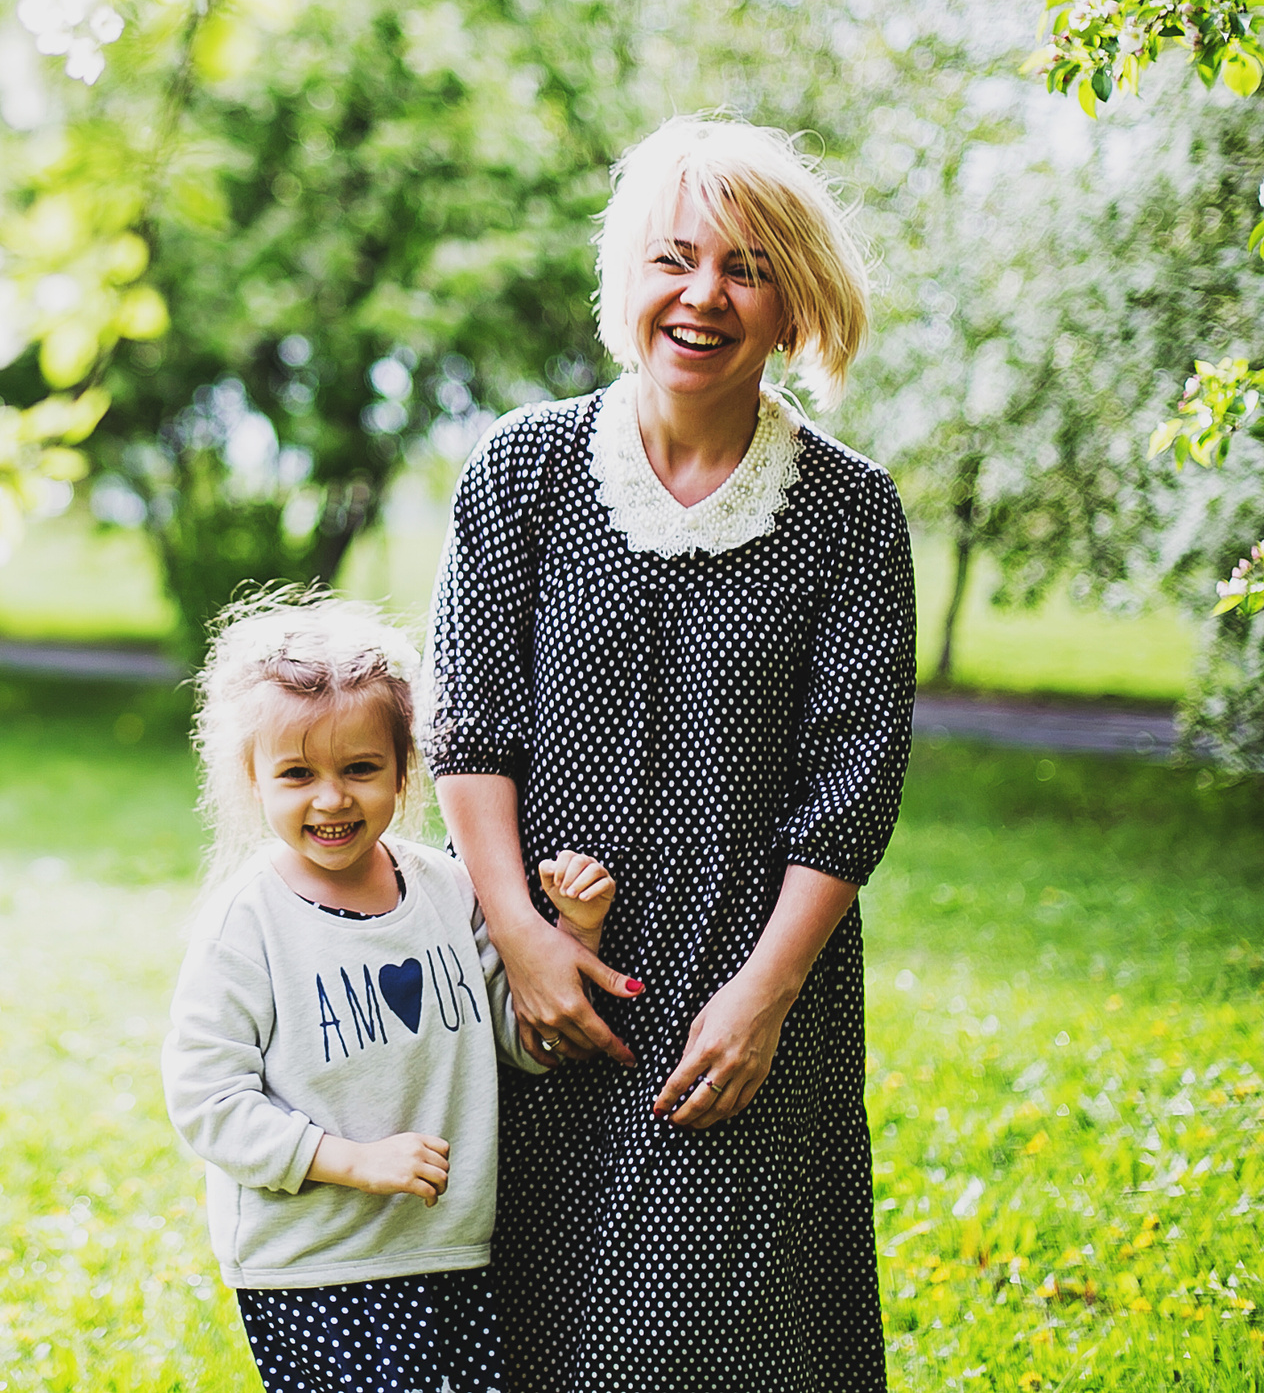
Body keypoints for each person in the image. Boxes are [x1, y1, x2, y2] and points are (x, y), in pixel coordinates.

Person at [428, 114, 917, 1393]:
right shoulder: (520, 471)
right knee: (534, 1324)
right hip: (548, 974)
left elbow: (851, 786)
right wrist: (521, 938)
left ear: (793, 301)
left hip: (749, 993)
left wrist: (763, 995)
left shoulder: (851, 512)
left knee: (742, 1334)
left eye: (748, 267)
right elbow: (471, 725)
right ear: (624, 277)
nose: (704, 294)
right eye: (674, 257)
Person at [161, 590, 627, 1393]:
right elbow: (206, 1098)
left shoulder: (448, 889)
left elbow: (524, 1042)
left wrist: (575, 933)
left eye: (361, 768)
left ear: (405, 768)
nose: (332, 798)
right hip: (313, 1266)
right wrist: (352, 1161)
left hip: (447, 1251)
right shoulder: (249, 922)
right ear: (253, 779)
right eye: (297, 774)